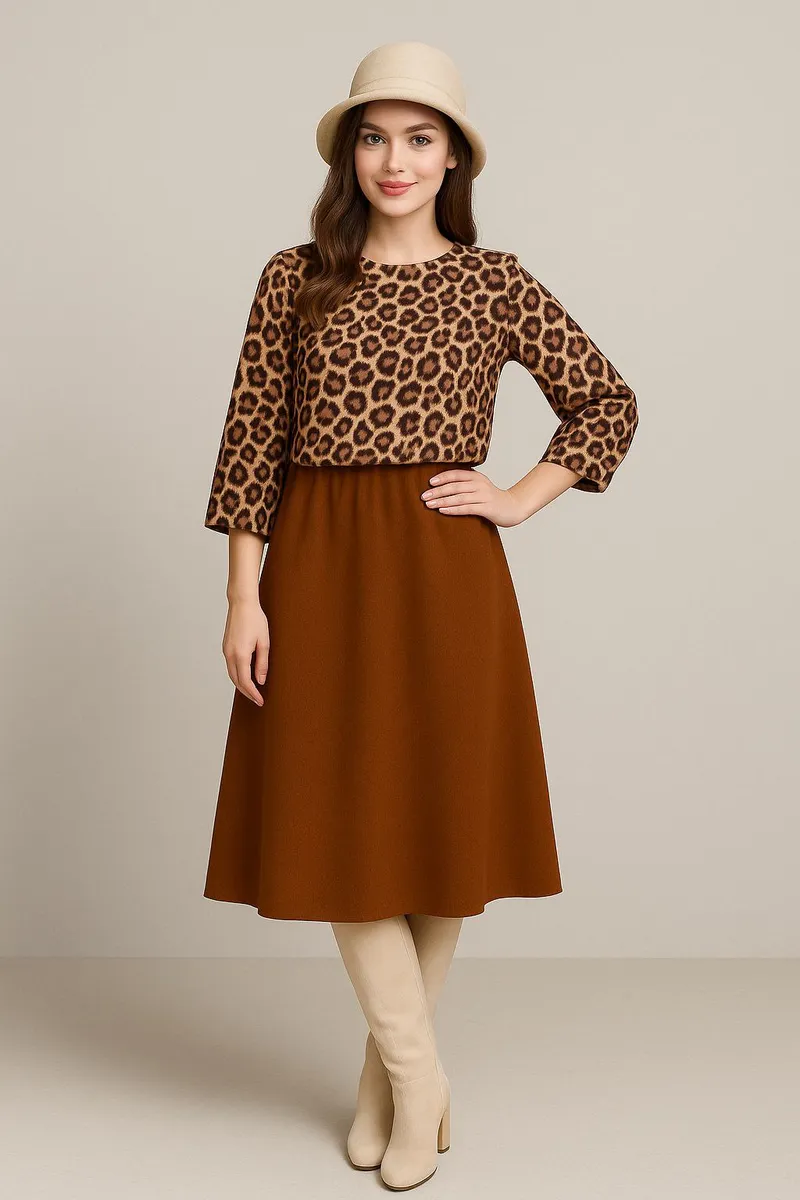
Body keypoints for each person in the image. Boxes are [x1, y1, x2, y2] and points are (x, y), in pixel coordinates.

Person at [201, 40, 638, 1192]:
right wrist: (243, 596)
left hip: (444, 575)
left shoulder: (492, 282)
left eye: (419, 137)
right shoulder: (294, 277)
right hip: (318, 569)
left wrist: (518, 497)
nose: (394, 159)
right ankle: (419, 1075)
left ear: (453, 159)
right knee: (337, 818)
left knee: (440, 823)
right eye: (373, 137)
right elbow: (249, 445)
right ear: (349, 154)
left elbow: (604, 402)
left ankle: (389, 1085)